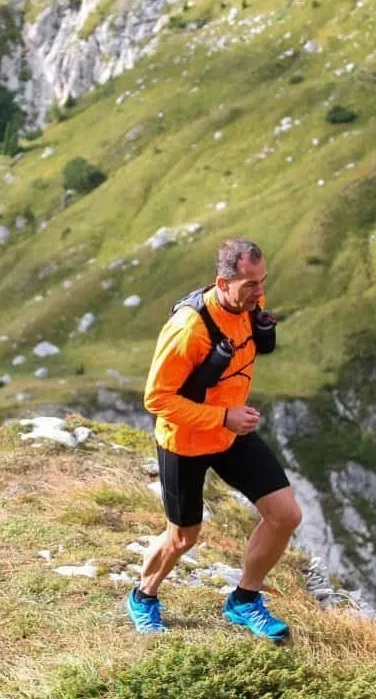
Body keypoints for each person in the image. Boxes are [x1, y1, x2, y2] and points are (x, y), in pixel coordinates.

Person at [126, 237, 302, 640]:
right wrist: (223, 415)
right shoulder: (188, 329)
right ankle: (143, 596)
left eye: (262, 281)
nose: (260, 293)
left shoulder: (248, 303)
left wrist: (229, 419)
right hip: (184, 441)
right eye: (250, 284)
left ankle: (244, 600)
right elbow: (157, 399)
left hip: (231, 433)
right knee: (183, 536)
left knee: (286, 515)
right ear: (222, 283)